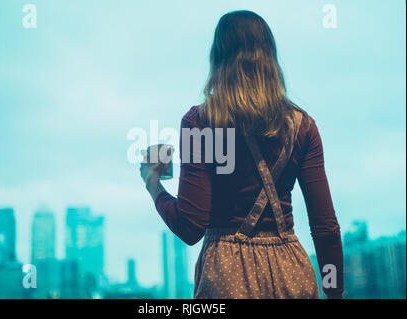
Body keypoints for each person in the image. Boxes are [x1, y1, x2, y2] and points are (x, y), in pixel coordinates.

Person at [140, 10, 343, 299]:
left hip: (227, 273)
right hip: (292, 272)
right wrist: (334, 292)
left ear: (218, 58)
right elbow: (325, 227)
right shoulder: (303, 126)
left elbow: (190, 226)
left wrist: (153, 183)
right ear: (271, 58)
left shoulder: (200, 122)